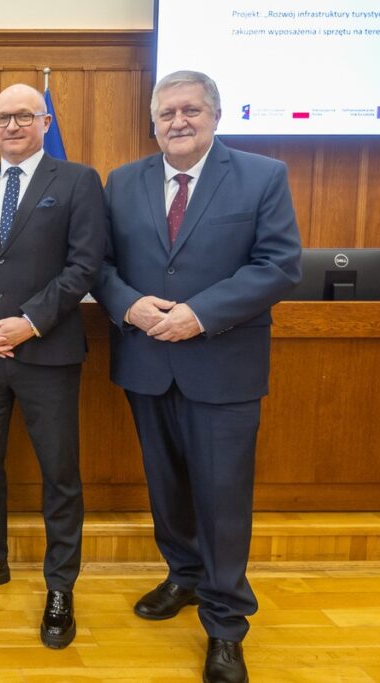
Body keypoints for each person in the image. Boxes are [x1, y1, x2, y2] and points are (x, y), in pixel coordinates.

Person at [91, 70, 301, 683]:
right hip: (146, 362)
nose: (178, 122)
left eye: (190, 110)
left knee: (223, 501)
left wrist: (200, 314)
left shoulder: (263, 175)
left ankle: (227, 624)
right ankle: (182, 577)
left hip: (223, 367)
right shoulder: (124, 181)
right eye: (167, 114)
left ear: (215, 114)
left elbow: (279, 266)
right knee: (168, 490)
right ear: (152, 122)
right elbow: (99, 264)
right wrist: (126, 303)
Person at [0, 83, 105, 649]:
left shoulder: (78, 181)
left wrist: (29, 322)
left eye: (23, 116)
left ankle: (61, 586)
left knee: (60, 476)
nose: (11, 126)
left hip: (49, 354)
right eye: (1, 118)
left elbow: (86, 264)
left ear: (44, 121)